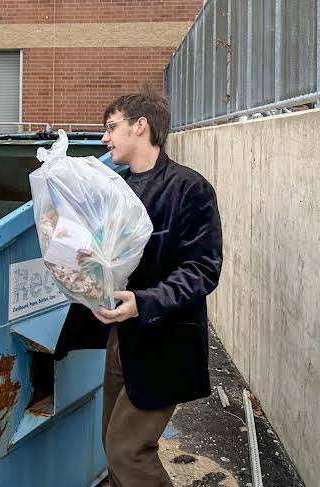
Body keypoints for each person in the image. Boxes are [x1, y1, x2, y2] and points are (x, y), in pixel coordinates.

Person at [54, 92, 223, 487]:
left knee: (128, 452)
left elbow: (202, 270)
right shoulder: (114, 188)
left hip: (166, 341)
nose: (104, 138)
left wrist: (143, 303)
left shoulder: (189, 188)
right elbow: (98, 253)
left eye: (111, 127)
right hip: (122, 339)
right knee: (111, 446)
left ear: (140, 125)